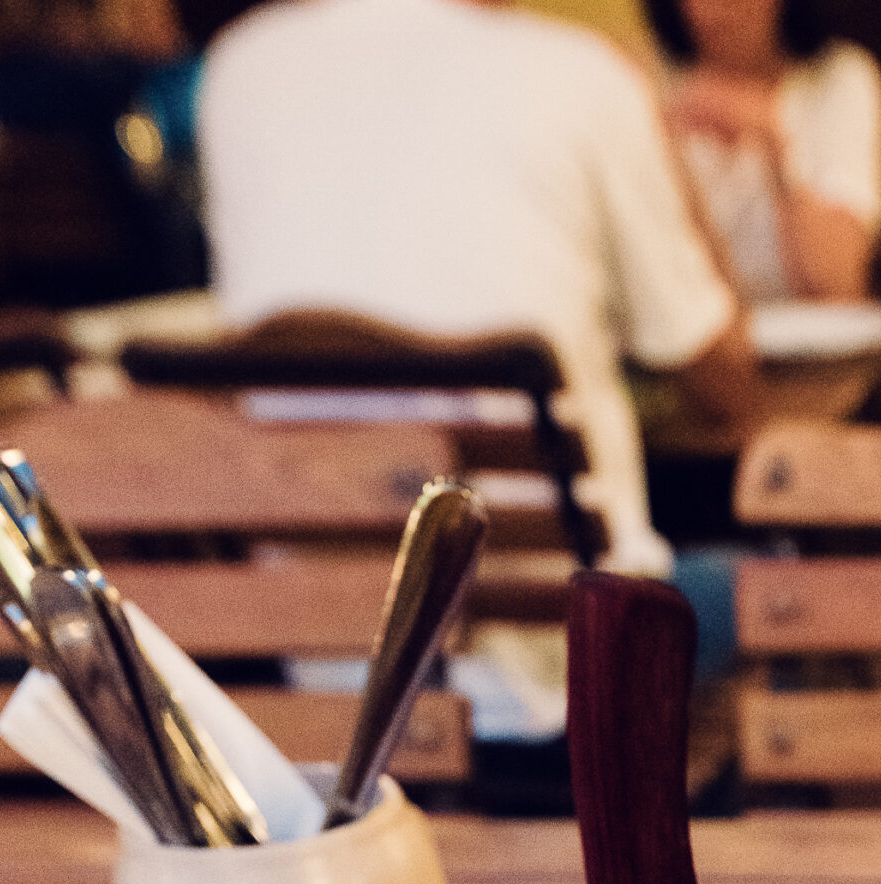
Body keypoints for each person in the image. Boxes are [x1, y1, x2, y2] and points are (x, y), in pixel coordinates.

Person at [198, 0, 757, 613]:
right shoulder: (585, 77)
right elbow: (727, 386)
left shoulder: (238, 69)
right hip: (564, 646)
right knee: (788, 588)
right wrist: (663, 143)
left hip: (319, 649)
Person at [649, 0, 881, 306]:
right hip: (695, 340)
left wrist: (775, 145)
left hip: (801, 343)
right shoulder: (651, 86)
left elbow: (837, 287)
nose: (711, 8)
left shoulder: (837, 78)